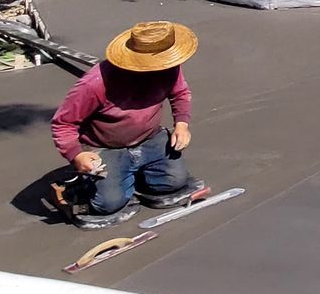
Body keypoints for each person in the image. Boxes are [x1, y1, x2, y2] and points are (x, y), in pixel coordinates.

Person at [50, 20, 206, 228]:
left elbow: (180, 94)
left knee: (174, 182)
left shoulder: (168, 68)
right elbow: (63, 123)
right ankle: (84, 186)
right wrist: (76, 154)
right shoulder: (95, 83)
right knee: (108, 204)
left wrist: (182, 124)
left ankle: (132, 176)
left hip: (150, 138)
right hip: (106, 146)